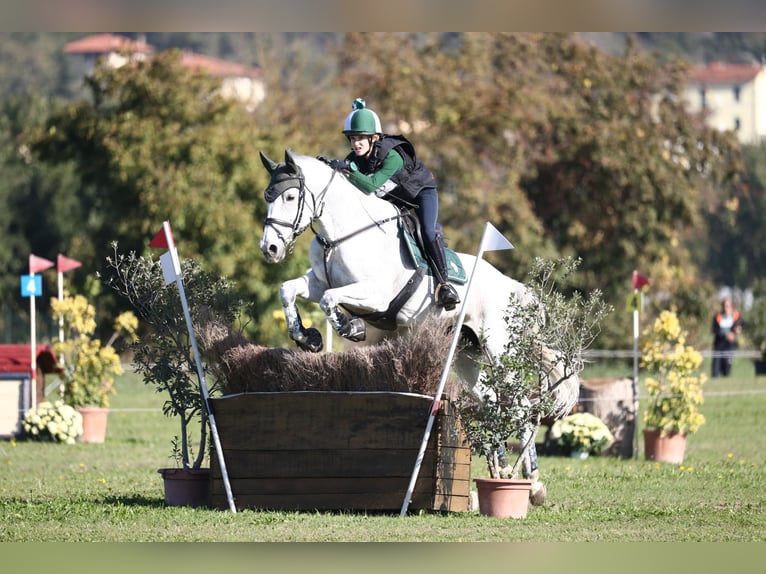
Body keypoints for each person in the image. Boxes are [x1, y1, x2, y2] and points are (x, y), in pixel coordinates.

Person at [324, 97, 460, 310]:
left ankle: (445, 286)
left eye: (361, 138)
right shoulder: (354, 158)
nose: (356, 143)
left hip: (421, 194)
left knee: (427, 230)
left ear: (374, 138)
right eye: (352, 138)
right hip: (395, 197)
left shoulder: (392, 156)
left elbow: (370, 186)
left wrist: (347, 171)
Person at [712, 296, 743, 377]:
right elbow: (715, 329)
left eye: (728, 306)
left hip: (729, 344)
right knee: (717, 362)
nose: (726, 308)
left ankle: (726, 376)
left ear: (731, 306)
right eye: (724, 306)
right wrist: (725, 335)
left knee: (727, 362)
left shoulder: (736, 315)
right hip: (719, 343)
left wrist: (736, 331)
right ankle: (716, 377)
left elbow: (741, 325)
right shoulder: (718, 316)